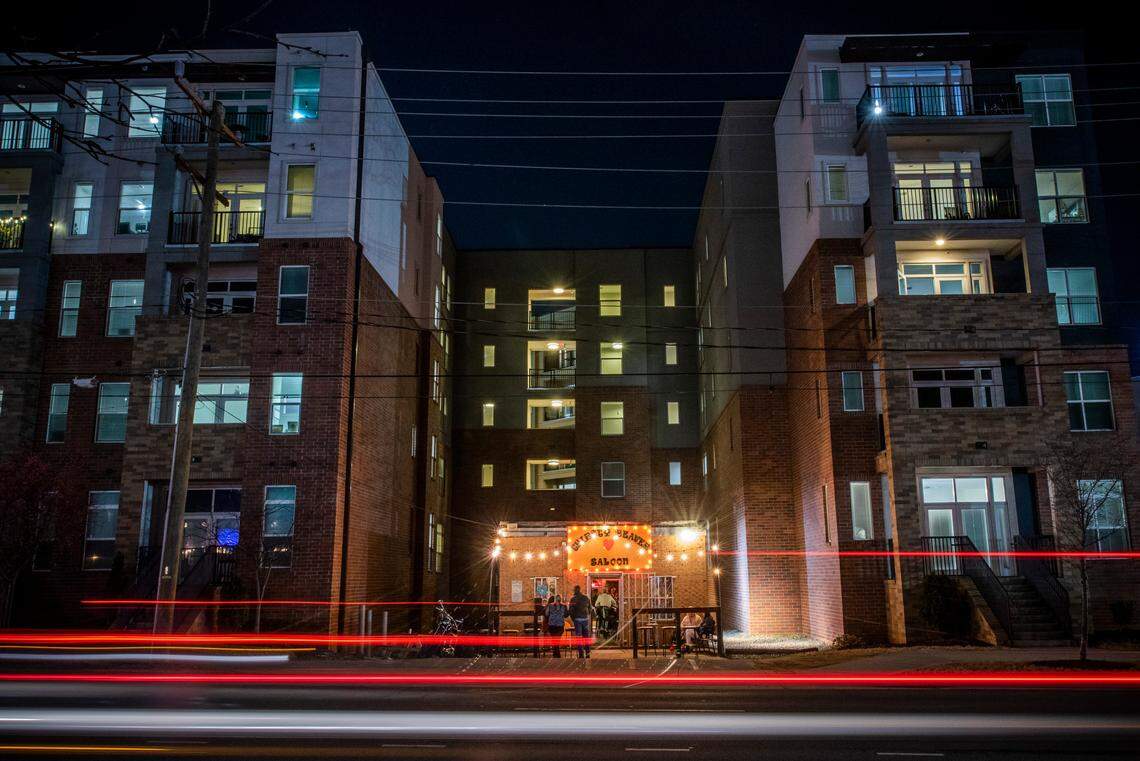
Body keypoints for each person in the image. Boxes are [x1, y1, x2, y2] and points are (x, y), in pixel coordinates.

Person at [567, 585, 593, 658]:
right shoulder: (586, 598)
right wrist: (586, 615)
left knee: (579, 637)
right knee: (586, 637)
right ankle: (587, 653)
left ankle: (581, 654)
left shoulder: (573, 599)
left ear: (575, 590)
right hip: (585, 619)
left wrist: (573, 619)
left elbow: (571, 611)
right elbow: (590, 609)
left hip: (577, 619)